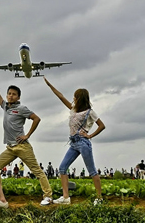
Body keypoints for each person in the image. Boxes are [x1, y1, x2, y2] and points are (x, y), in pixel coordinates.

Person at [0, 74, 53, 206]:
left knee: (37, 171)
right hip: (10, 148)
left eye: (13, 94)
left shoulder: (21, 108)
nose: (10, 96)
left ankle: (48, 196)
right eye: (9, 93)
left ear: (18, 97)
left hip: (22, 146)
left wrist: (27, 135)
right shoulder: (6, 107)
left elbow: (37, 119)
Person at [43, 77, 105, 205]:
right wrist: (50, 86)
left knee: (92, 171)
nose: (73, 99)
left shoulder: (90, 112)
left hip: (83, 142)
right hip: (73, 143)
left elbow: (102, 125)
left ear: (80, 98)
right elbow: (61, 97)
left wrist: (90, 135)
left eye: (75, 97)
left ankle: (99, 198)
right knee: (62, 168)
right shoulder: (73, 108)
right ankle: (66, 197)